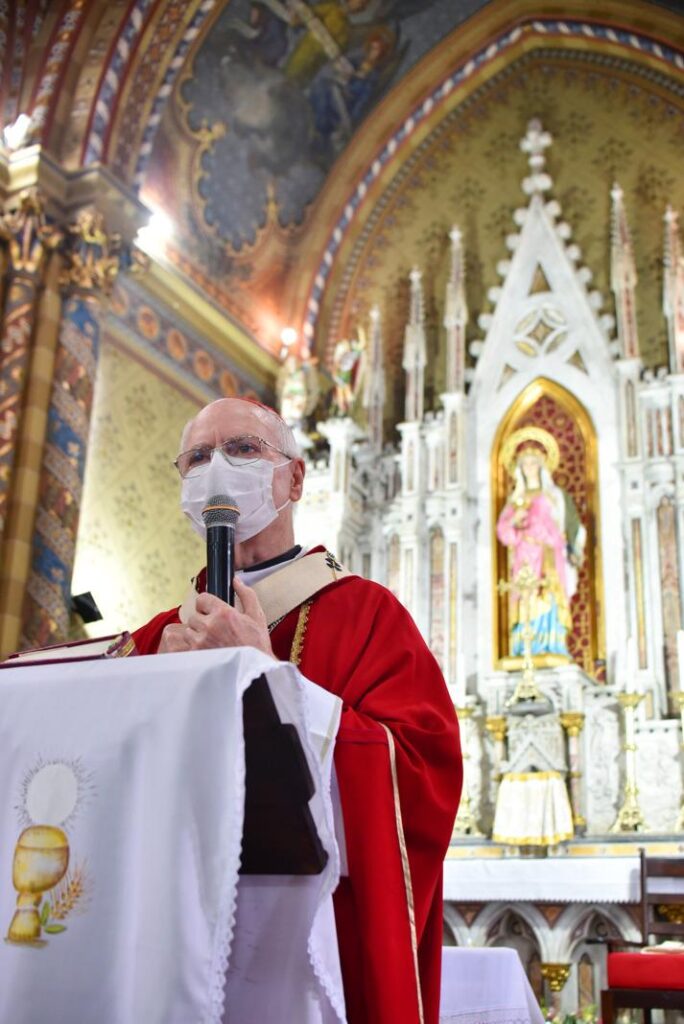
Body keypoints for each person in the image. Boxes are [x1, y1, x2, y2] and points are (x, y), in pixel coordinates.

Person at [133, 396, 462, 1024]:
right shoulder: (155, 638)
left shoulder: (369, 616)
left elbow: (423, 773)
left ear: (296, 477)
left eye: (244, 449)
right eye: (197, 458)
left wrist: (271, 679)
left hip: (310, 937)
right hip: (175, 930)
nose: (217, 469)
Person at [496, 427, 586, 658]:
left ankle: (551, 644)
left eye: (533, 463)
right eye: (524, 464)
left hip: (549, 554)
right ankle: (526, 647)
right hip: (525, 556)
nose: (529, 468)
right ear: (519, 469)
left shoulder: (554, 496)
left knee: (549, 595)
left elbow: (570, 526)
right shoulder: (515, 500)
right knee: (526, 597)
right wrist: (515, 520)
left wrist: (572, 548)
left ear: (542, 465)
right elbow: (503, 531)